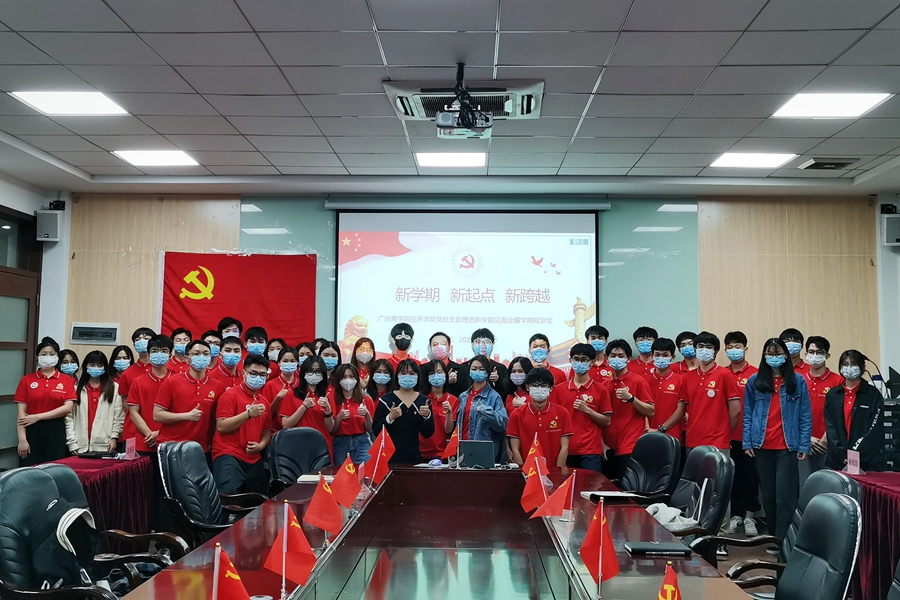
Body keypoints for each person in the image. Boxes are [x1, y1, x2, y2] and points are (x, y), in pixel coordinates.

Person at [743, 338, 811, 553]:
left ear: (785, 355)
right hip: (761, 445)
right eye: (770, 353)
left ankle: (783, 541)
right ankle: (773, 538)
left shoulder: (797, 381)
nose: (774, 357)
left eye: (778, 353)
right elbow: (747, 414)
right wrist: (747, 441)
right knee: (769, 497)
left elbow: (805, 415)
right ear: (764, 356)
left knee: (785, 497)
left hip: (787, 447)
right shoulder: (754, 381)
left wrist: (804, 445)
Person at [212, 355, 273, 495]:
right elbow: (221, 426)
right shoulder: (229, 395)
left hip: (253, 457)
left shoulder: (264, 402)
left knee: (260, 497)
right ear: (244, 373)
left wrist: (261, 445)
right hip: (228, 453)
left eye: (262, 374)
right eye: (253, 373)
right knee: (228, 496)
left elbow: (267, 432)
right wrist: (248, 414)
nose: (258, 377)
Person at [154, 340, 224, 455]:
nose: (201, 357)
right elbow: (157, 415)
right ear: (187, 358)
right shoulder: (172, 382)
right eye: (196, 353)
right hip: (172, 446)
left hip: (201, 447)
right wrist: (186, 416)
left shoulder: (218, 386)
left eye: (206, 354)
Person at [550, 343, 612, 472]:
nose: (579, 363)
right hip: (565, 449)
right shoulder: (559, 389)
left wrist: (588, 410)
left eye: (584, 360)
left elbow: (607, 420)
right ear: (570, 361)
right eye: (576, 359)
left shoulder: (601, 389)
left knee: (591, 484)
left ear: (592, 362)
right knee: (565, 483)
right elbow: (553, 419)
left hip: (590, 450)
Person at [15, 337, 76, 466]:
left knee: (53, 469)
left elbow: (67, 408)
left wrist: (38, 417)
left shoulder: (66, 380)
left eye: (52, 354)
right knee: (30, 470)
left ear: (57, 356)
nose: (48, 357)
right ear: (37, 356)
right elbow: (21, 414)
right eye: (44, 354)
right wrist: (22, 439)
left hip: (55, 430)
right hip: (31, 430)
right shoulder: (26, 380)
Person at [724, 331, 761, 536]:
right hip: (727, 436)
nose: (733, 350)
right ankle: (735, 515)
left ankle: (750, 517)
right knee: (732, 478)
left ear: (745, 349)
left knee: (750, 478)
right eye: (729, 347)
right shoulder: (722, 373)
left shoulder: (756, 374)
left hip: (750, 437)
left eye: (737, 346)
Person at [824, 349, 885, 472]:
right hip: (838, 461)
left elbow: (874, 428)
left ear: (862, 366)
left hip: (868, 461)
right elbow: (831, 427)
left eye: (854, 364)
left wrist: (855, 454)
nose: (849, 368)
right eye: (845, 364)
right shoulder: (833, 395)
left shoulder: (873, 394)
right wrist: (841, 454)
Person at [602, 339, 654, 480]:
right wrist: (601, 443)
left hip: (630, 445)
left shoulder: (639, 381)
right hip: (608, 447)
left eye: (621, 356)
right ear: (607, 359)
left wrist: (631, 398)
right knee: (608, 487)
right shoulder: (604, 384)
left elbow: (651, 411)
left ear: (628, 359)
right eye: (613, 356)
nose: (617, 359)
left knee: (627, 487)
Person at [683, 331, 741, 452]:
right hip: (692, 440)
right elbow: (683, 408)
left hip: (718, 441)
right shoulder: (687, 377)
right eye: (700, 346)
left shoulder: (725, 374)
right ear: (695, 349)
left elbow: (735, 409)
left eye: (709, 347)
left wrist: (726, 434)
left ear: (716, 351)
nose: (704, 350)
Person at [448, 355, 509, 464]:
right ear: (469, 371)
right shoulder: (463, 396)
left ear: (487, 372)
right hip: (461, 449)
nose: (477, 372)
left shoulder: (494, 397)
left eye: (481, 369)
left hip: (483, 451)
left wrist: (487, 413)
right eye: (474, 369)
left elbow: (504, 424)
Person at [800, 336, 844, 486]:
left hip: (828, 443)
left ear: (827, 355)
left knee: (827, 486)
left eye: (819, 352)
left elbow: (840, 414)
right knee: (805, 486)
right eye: (811, 352)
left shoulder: (838, 381)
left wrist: (827, 437)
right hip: (804, 443)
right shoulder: (798, 380)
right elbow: (792, 413)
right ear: (806, 354)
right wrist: (806, 438)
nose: (815, 356)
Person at [508, 369, 573, 468]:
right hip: (527, 472)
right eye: (535, 385)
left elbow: (564, 447)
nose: (539, 388)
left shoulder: (562, 413)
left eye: (543, 385)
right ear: (527, 387)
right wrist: (524, 472)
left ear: (551, 388)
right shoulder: (516, 414)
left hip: (555, 470)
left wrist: (557, 471)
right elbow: (515, 449)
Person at [373, 359, 434, 464]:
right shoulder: (386, 400)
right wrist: (390, 418)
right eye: (403, 373)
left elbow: (428, 433)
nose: (407, 376)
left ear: (418, 376)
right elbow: (376, 430)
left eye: (412, 373)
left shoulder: (424, 401)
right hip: (390, 459)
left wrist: (427, 416)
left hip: (414, 458)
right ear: (397, 376)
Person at [280, 355, 337, 462]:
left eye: (318, 371)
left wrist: (328, 410)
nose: (314, 374)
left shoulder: (328, 395)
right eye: (310, 371)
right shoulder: (292, 394)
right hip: (298, 446)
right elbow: (286, 425)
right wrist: (304, 407)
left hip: (322, 447)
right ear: (304, 372)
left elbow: (330, 429)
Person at [66, 350, 124, 454]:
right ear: (86, 366)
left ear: (105, 367)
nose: (96, 368)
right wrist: (72, 442)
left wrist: (114, 437)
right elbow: (69, 418)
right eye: (92, 365)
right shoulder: (76, 389)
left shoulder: (114, 388)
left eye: (100, 365)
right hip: (80, 446)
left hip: (105, 446)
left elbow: (119, 416)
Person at [126, 335, 172, 452]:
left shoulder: (177, 380)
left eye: (164, 351)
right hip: (144, 441)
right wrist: (149, 433)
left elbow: (181, 413)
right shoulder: (138, 382)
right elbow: (133, 412)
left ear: (170, 355)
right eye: (154, 351)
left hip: (171, 442)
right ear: (149, 354)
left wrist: (160, 433)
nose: (159, 354)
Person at [331, 364, 375, 464]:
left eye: (351, 377)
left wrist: (367, 414)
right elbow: (332, 430)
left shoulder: (366, 400)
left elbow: (369, 429)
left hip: (361, 441)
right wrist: (339, 418)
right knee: (341, 472)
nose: (348, 380)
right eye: (344, 377)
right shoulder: (332, 399)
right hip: (340, 442)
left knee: (364, 471)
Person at [646, 338, 687, 440]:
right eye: (657, 355)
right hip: (646, 434)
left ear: (672, 357)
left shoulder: (681, 380)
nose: (661, 358)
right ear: (652, 356)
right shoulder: (643, 380)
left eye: (665, 355)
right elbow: (641, 409)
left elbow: (680, 411)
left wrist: (661, 429)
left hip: (673, 435)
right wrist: (646, 428)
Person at [419, 359, 458, 460]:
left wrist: (449, 413)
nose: (436, 376)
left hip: (442, 453)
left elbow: (448, 430)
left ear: (446, 375)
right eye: (432, 373)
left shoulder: (453, 400)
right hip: (421, 452)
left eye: (439, 372)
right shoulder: (420, 398)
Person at [456, 328, 509, 399]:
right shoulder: (463, 367)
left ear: (492, 345)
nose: (482, 345)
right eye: (478, 342)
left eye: (487, 342)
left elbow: (506, 394)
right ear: (472, 345)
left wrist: (498, 380)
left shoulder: (500, 368)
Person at [262, 346, 301, 432]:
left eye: (292, 361)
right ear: (279, 363)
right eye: (285, 361)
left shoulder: (302, 384)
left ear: (297, 363)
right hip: (276, 432)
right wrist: (278, 399)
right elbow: (265, 414)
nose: (289, 364)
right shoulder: (270, 385)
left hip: (300, 430)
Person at [117, 327, 156, 402]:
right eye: (137, 340)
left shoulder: (163, 369)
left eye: (146, 338)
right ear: (134, 345)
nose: (142, 342)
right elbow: (125, 402)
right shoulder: (127, 373)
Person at [426, 331, 465, 397]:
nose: (439, 347)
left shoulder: (460, 369)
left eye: (443, 344)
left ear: (449, 348)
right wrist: (446, 381)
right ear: (430, 348)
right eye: (435, 345)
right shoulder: (423, 369)